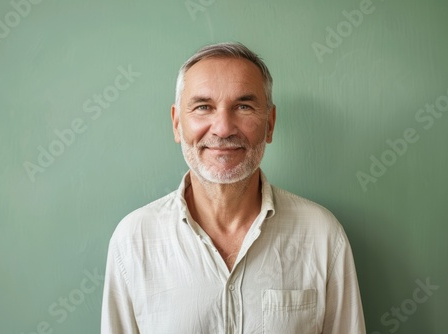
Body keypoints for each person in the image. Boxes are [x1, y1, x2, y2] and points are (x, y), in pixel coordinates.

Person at [101, 42, 366, 334]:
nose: (223, 128)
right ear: (177, 123)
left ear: (270, 124)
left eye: (243, 106)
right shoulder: (134, 240)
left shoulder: (322, 235)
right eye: (203, 107)